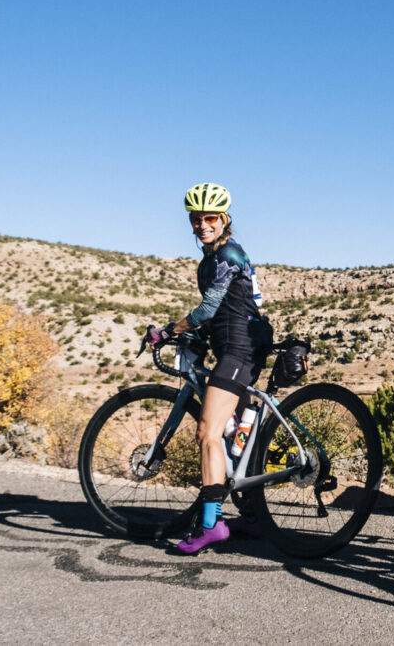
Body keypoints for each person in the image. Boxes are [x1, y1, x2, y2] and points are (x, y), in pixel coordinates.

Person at [146, 182, 272, 554]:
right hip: (234, 345)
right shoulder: (212, 257)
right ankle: (250, 516)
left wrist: (169, 330)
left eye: (210, 218)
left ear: (224, 219)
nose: (202, 224)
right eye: (196, 218)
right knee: (234, 437)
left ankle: (210, 524)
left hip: (239, 349)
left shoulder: (227, 254)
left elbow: (208, 309)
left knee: (207, 432)